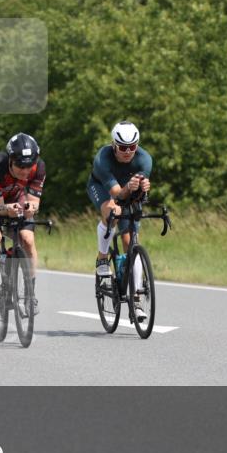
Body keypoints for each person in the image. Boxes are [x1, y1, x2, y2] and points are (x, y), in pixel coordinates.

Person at [88, 121, 152, 321]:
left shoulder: (144, 159)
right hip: (101, 188)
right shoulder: (103, 159)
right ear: (114, 145)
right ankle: (102, 257)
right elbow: (117, 194)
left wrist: (142, 189)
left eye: (132, 147)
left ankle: (137, 298)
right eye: (123, 147)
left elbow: (136, 196)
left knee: (131, 242)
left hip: (128, 192)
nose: (127, 152)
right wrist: (131, 188)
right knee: (112, 211)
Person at [0, 133, 46, 314]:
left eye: (28, 166)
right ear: (10, 160)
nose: (25, 171)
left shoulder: (38, 168)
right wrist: (8, 209)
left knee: (27, 239)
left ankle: (30, 294)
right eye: (20, 166)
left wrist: (31, 208)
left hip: (17, 198)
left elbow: (34, 202)